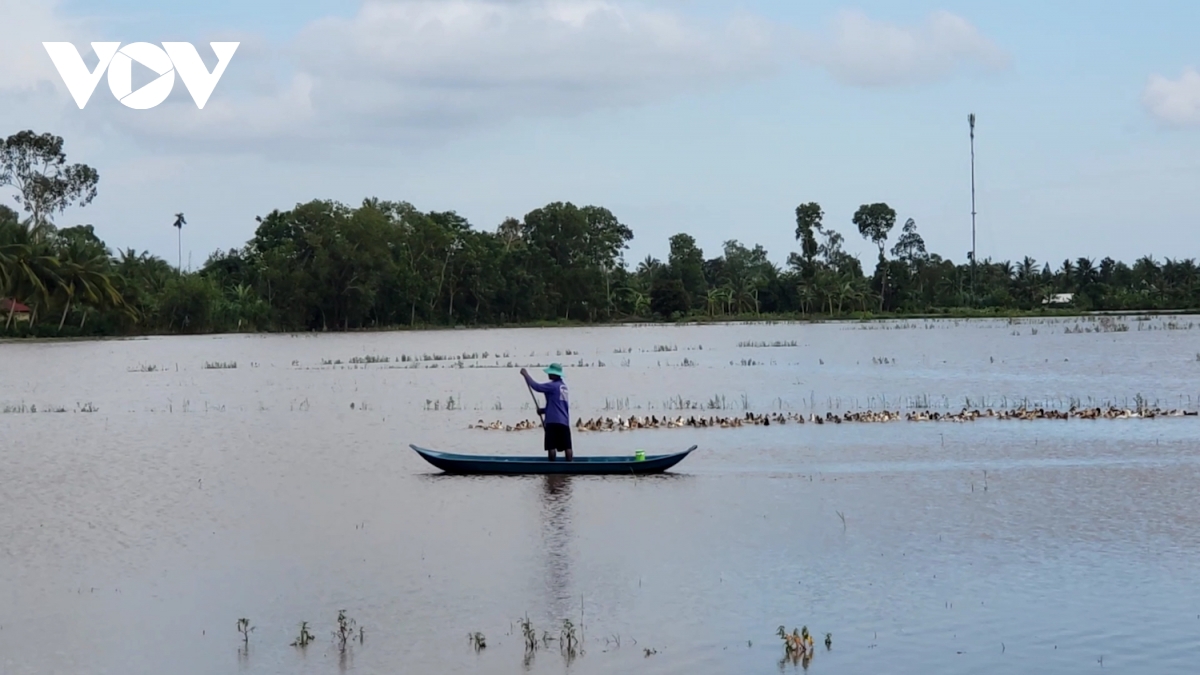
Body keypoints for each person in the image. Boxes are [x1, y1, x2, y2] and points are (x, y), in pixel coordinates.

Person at [521, 363, 572, 461]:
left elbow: (536, 387)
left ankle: (551, 470)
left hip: (552, 421)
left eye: (550, 373)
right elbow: (558, 405)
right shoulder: (563, 387)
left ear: (554, 374)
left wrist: (526, 375)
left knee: (551, 446)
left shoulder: (553, 386)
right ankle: (570, 468)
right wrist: (543, 410)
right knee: (567, 447)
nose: (548, 374)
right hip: (564, 422)